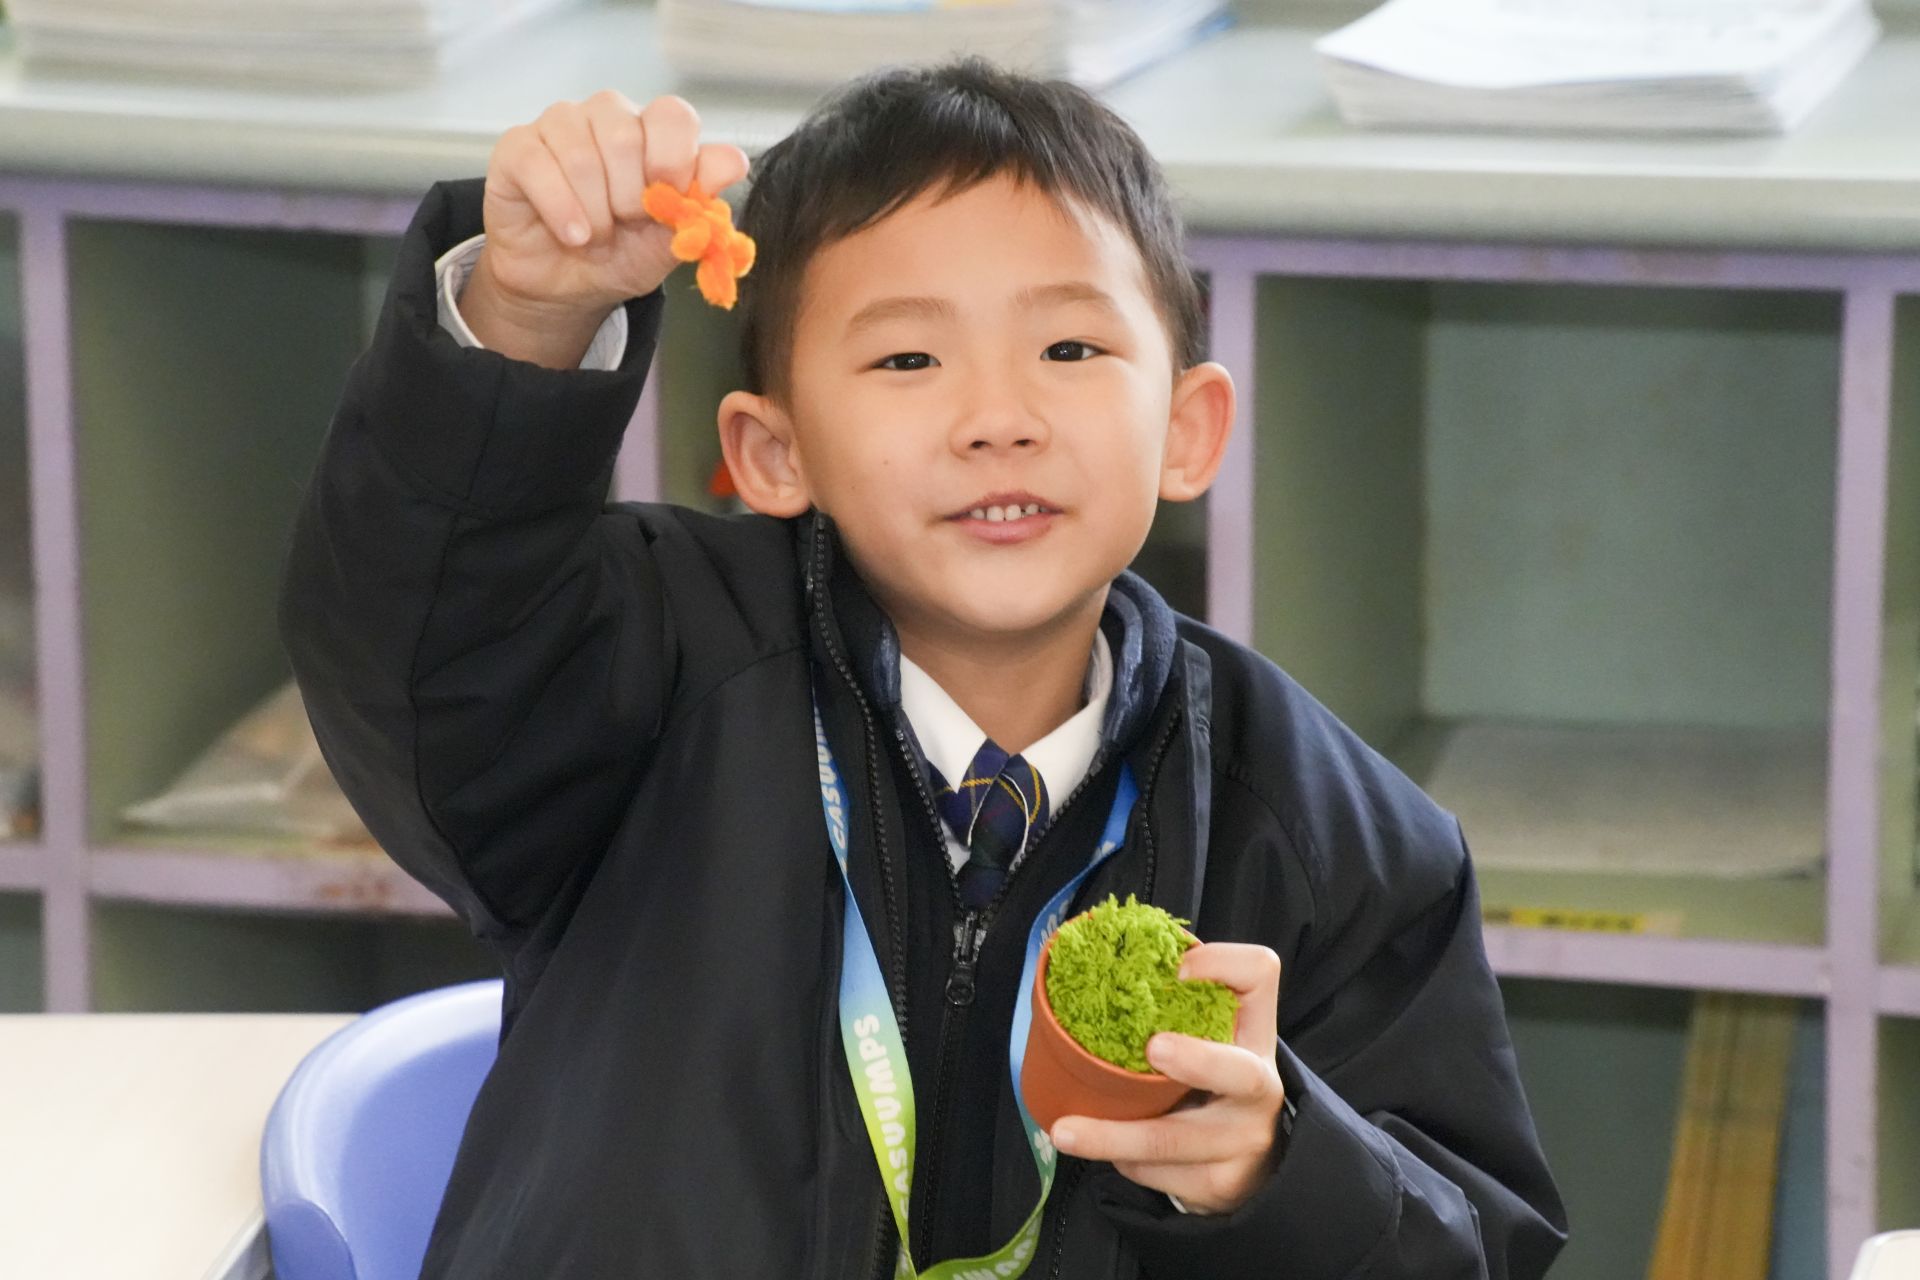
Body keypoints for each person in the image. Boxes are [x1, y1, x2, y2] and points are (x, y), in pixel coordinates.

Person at [279, 55, 1567, 1280]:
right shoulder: (647, 672)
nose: (997, 419)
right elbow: (424, 657)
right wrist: (527, 318)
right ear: (773, 454)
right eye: (908, 358)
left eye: (1069, 350)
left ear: (1189, 428)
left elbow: (1471, 1241)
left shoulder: (1343, 841)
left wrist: (1284, 1173)